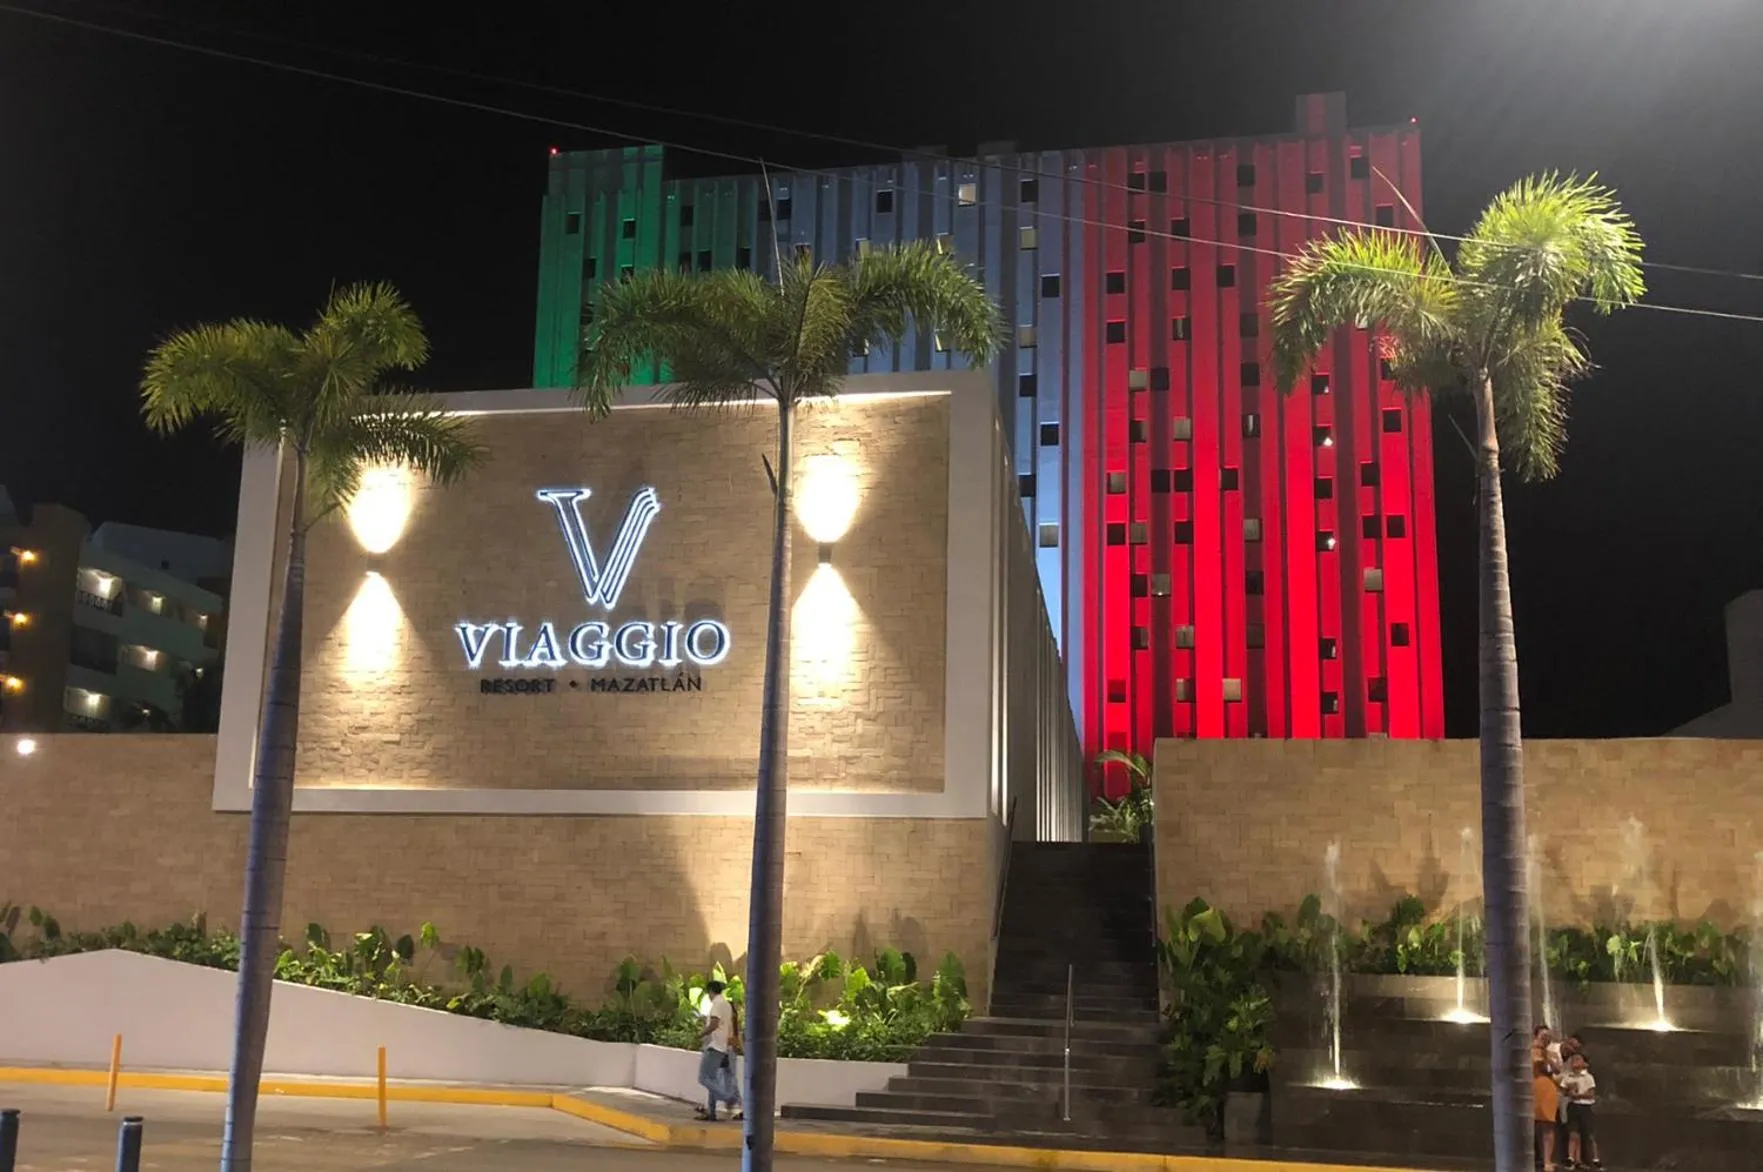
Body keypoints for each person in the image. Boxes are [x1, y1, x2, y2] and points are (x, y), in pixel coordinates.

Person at [695, 980, 743, 1122]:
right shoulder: (727, 1005)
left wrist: (700, 1034)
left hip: (715, 1046)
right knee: (713, 1078)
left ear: (710, 991)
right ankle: (711, 1112)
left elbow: (714, 1024)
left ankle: (730, 1098)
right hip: (724, 1046)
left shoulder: (716, 1004)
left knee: (704, 1078)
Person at [1559, 1050, 1601, 1170]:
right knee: (1573, 1133)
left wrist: (1577, 1095)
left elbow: (1591, 1094)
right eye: (1573, 1059)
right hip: (1573, 1106)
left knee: (1590, 1134)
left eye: (1578, 1059)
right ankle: (1571, 1158)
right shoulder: (1568, 1076)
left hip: (1585, 1107)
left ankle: (1595, 1159)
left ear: (1585, 1064)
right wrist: (1569, 1091)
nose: (1574, 1061)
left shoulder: (1588, 1077)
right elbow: (1563, 1091)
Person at [1532, 1025, 1562, 1171]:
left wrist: (1547, 1057)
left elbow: (1556, 1070)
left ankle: (1547, 1160)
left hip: (1547, 1088)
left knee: (1548, 1124)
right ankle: (1537, 1158)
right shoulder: (1528, 1051)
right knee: (1534, 1125)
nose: (1545, 1039)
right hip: (1532, 1088)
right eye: (1543, 1036)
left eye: (1548, 1037)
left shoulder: (1551, 1054)